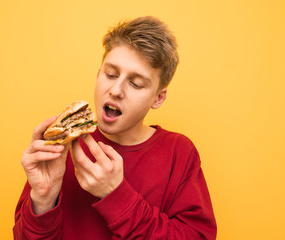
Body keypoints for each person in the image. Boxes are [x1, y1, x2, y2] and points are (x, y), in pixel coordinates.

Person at [13, 16, 217, 239]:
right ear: (98, 74)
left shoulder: (179, 152)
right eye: (111, 74)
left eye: (136, 83)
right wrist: (43, 197)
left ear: (158, 97)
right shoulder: (59, 151)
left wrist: (116, 194)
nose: (116, 90)